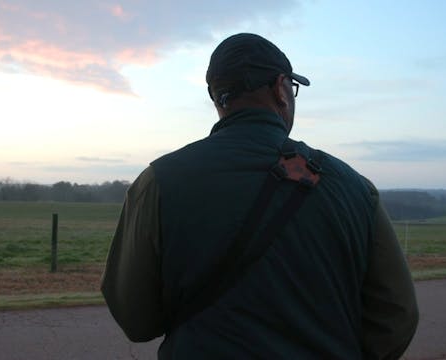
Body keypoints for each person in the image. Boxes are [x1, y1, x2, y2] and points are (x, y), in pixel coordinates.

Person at [101, 33, 419, 359]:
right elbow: (396, 315)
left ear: (217, 98)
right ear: (282, 89)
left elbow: (136, 321)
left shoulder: (157, 181)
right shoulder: (354, 187)